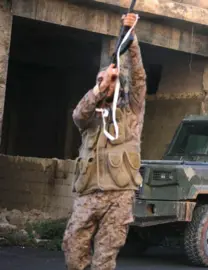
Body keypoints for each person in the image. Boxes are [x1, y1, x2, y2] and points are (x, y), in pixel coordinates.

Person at [62, 13, 146, 270]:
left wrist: (132, 40)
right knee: (73, 249)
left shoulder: (131, 111)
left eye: (109, 81)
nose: (105, 84)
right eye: (99, 81)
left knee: (104, 259)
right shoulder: (89, 117)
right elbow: (78, 115)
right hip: (89, 194)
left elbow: (140, 79)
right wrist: (100, 88)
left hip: (119, 196)